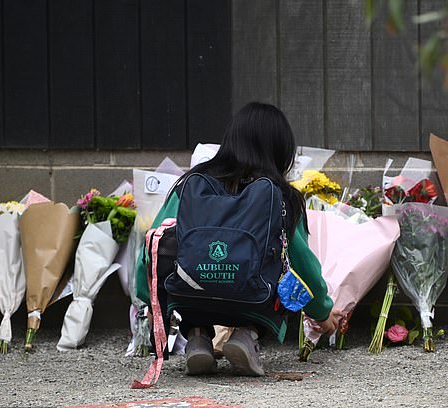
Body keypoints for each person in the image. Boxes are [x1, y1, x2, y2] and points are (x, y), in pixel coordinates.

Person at [135, 102, 343, 377]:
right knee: (277, 273)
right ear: (280, 151)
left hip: (188, 298)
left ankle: (197, 337)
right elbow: (301, 264)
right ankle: (247, 335)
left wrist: (149, 300)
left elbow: (155, 245)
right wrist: (321, 312)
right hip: (253, 301)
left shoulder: (191, 185)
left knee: (192, 276)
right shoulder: (280, 197)